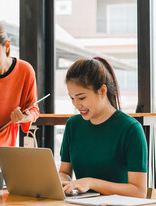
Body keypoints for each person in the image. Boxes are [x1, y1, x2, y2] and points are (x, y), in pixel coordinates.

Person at [59, 57, 148, 198]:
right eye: (72, 98)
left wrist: (91, 183)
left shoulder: (130, 129)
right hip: (81, 205)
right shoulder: (73, 125)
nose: (76, 104)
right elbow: (64, 172)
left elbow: (139, 192)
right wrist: (63, 182)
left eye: (81, 98)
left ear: (102, 90)